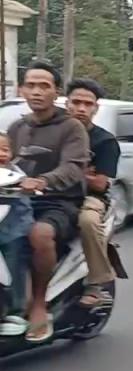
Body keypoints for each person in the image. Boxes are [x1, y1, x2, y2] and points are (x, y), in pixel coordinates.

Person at [8, 61, 90, 342]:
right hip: (17, 200)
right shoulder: (17, 127)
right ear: (21, 89)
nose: (36, 91)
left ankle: (40, 304)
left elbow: (73, 167)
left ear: (56, 93)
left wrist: (42, 181)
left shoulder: (71, 128)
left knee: (39, 234)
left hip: (58, 203)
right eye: (30, 85)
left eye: (44, 86)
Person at [65, 78, 121, 311]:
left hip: (90, 199)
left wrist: (66, 172)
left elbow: (99, 183)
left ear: (95, 108)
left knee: (88, 221)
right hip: (50, 195)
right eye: (76, 102)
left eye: (87, 104)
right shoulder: (55, 132)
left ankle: (97, 283)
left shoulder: (104, 141)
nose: (81, 108)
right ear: (66, 103)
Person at [0, 133, 34, 336]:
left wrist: (27, 185)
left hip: (14, 227)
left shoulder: (15, 175)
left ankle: (17, 311)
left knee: (14, 259)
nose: (0, 154)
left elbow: (26, 185)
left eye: (4, 149)